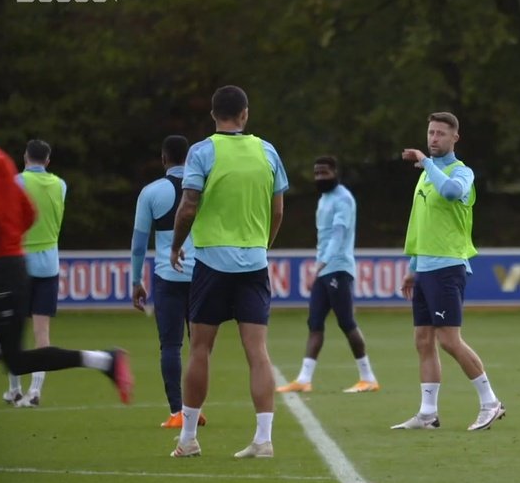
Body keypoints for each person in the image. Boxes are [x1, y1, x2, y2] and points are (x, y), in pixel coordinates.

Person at [0, 99, 133, 404]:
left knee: (15, 356)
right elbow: (27, 213)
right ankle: (99, 364)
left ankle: (104, 361)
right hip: (25, 265)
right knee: (26, 346)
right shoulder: (9, 164)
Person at [168, 85, 287, 458]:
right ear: (245, 113)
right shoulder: (267, 150)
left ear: (213, 115)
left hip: (212, 262)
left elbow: (189, 206)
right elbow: (278, 209)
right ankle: (263, 439)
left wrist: (175, 246)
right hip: (254, 262)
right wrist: (263, 244)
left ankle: (188, 438)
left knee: (201, 349)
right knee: (258, 352)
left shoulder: (201, 152)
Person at [391, 112, 505, 431]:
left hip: (447, 267)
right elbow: (418, 223)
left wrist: (427, 162)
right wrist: (412, 267)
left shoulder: (461, 172)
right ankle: (428, 413)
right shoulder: (426, 175)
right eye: (431, 132)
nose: (434, 138)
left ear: (455, 138)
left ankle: (491, 402)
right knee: (423, 339)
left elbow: (453, 192)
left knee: (449, 341)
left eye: (441, 133)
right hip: (425, 268)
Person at [277, 156, 379, 395]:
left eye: (324, 173)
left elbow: (339, 234)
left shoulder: (343, 198)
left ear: (335, 172)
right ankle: (304, 379)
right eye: (317, 173)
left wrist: (322, 262)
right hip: (324, 269)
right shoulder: (324, 198)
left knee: (346, 322)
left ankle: (368, 377)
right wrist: (320, 264)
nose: (319, 177)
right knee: (314, 322)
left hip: (338, 268)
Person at [131, 135, 207, 428]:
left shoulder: (151, 193)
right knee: (200, 346)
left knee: (171, 346)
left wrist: (136, 280)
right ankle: (195, 410)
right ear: (189, 159)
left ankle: (177, 411)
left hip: (167, 277)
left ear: (164, 159)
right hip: (202, 275)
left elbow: (139, 245)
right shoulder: (202, 190)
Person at [3, 139, 66, 407]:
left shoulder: (16, 182)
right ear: (48, 160)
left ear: (24, 157)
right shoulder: (61, 185)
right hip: (49, 263)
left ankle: (15, 388)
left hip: (20, 262)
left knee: (11, 330)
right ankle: (36, 390)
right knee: (43, 332)